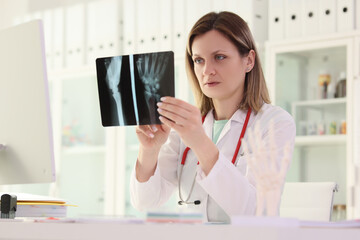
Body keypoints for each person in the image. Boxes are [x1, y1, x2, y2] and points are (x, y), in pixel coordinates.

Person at [130, 11, 296, 223]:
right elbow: (144, 202)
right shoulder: (187, 124)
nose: (207, 70)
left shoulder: (274, 123)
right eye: (199, 60)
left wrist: (200, 142)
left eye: (219, 57)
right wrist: (149, 150)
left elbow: (258, 212)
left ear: (249, 61)